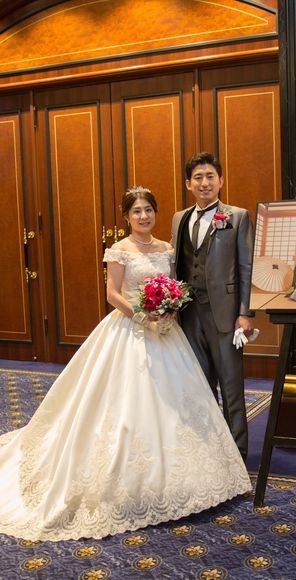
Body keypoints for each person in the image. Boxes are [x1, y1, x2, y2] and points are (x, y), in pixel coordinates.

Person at [0, 186, 251, 542]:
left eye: (148, 210)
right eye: (136, 211)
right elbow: (112, 294)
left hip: (167, 333)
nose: (143, 216)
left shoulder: (166, 248)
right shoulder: (119, 249)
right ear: (127, 217)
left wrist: (170, 308)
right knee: (125, 404)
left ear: (155, 213)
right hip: (130, 331)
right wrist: (142, 315)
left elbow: (175, 286)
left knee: (184, 403)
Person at [171, 152, 253, 462]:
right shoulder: (179, 218)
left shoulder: (238, 216)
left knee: (231, 386)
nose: (204, 183)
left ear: (221, 181)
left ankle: (237, 454)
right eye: (198, 178)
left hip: (225, 313)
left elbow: (246, 268)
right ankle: (209, 452)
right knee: (199, 384)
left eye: (210, 177)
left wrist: (244, 313)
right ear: (188, 184)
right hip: (189, 312)